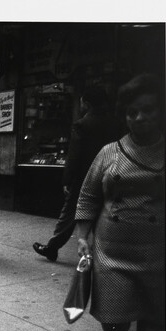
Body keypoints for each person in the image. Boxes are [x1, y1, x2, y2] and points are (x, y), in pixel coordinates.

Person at [74, 73, 165, 331]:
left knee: (156, 315)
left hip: (160, 250)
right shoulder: (109, 152)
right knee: (113, 317)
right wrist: (83, 237)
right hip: (112, 250)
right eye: (132, 112)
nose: (139, 118)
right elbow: (87, 197)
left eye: (148, 110)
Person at [33, 86, 123, 261]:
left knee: (69, 213)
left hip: (84, 177)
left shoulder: (82, 125)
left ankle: (52, 247)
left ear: (87, 103)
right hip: (110, 174)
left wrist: (67, 179)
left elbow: (74, 154)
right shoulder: (115, 123)